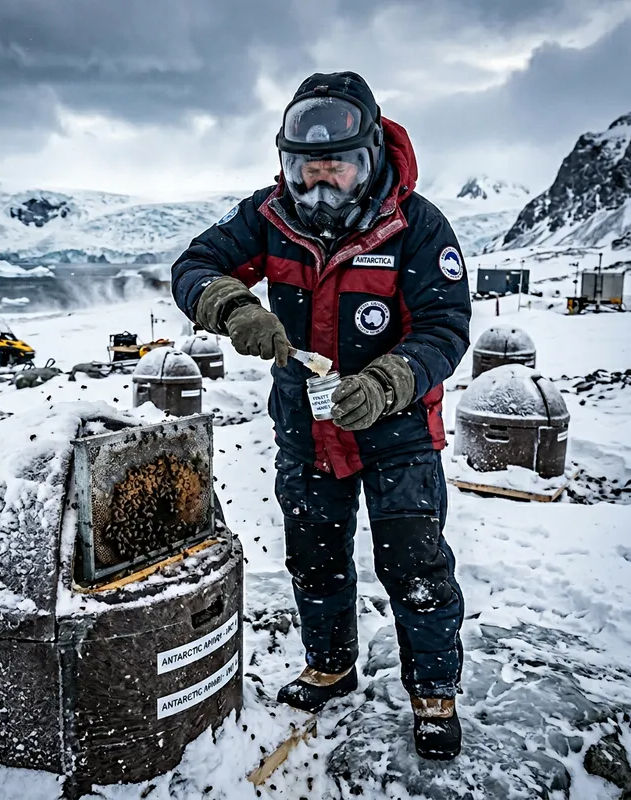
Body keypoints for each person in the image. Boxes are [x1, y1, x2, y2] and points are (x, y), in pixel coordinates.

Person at [171, 71, 471, 761]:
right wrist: (235, 307)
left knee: (415, 566)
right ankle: (331, 665)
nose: (320, 187)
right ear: (286, 165)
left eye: (337, 168)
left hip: (397, 435)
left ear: (369, 159)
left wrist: (392, 377)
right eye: (305, 171)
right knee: (315, 559)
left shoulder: (417, 226)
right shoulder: (271, 216)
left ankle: (432, 692)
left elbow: (445, 326)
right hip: (307, 431)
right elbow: (195, 265)